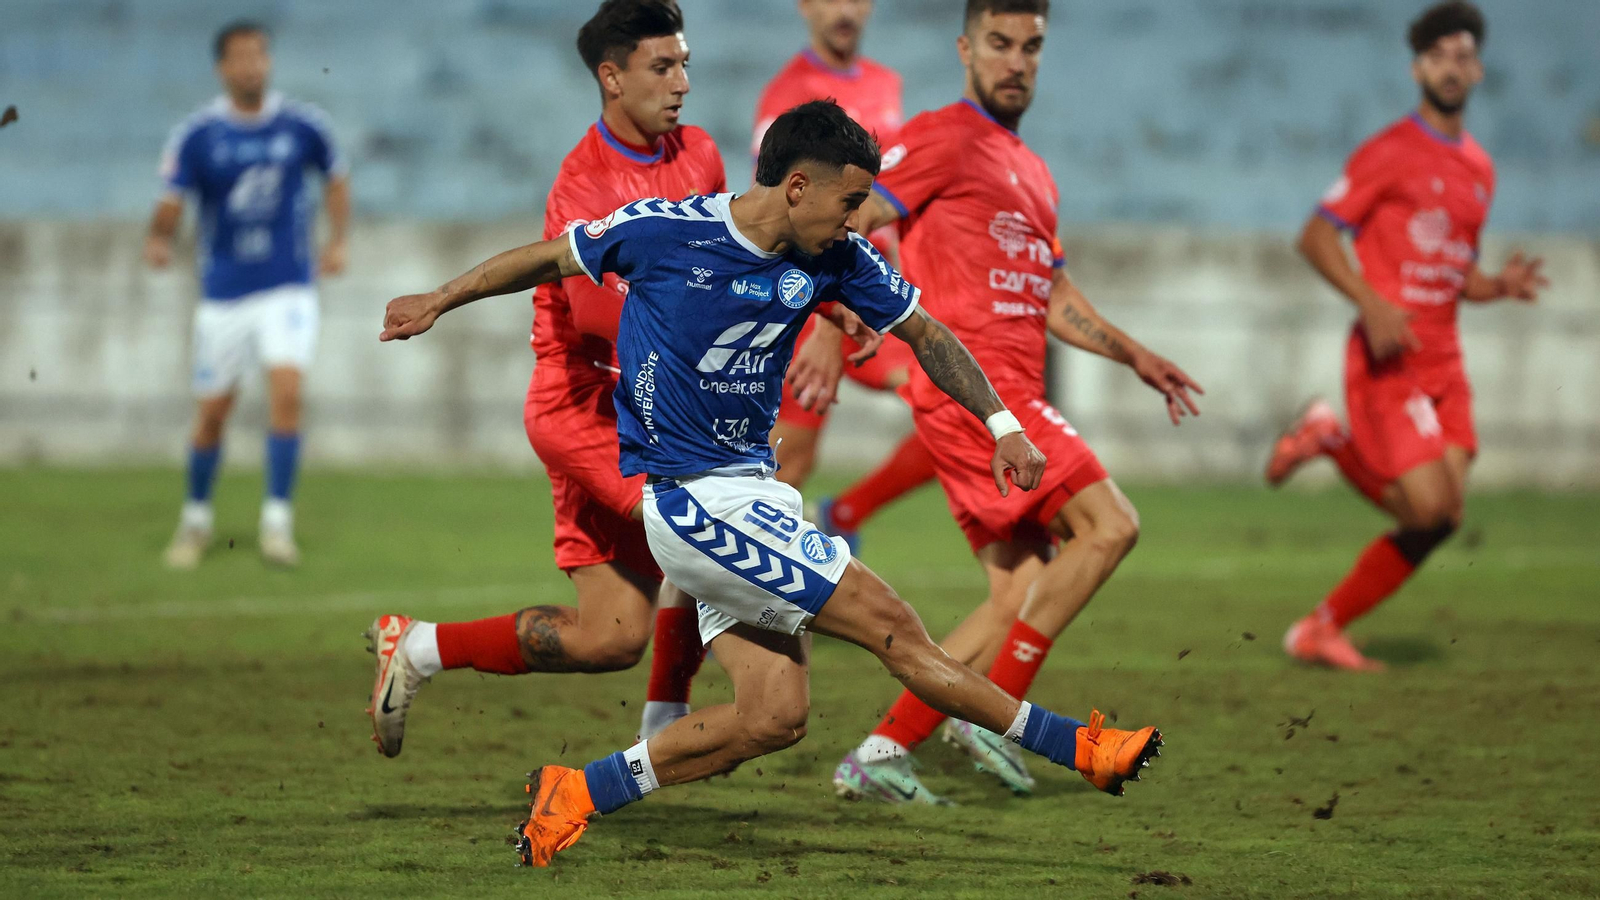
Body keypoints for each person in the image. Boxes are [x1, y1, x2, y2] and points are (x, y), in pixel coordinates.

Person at [379, 99, 1165, 868]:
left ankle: (577, 792)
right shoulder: (666, 232)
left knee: (774, 717)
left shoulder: (835, 258)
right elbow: (549, 258)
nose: (857, 221)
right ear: (796, 186)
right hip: (693, 503)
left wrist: (1003, 425)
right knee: (893, 625)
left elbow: (925, 332)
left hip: (754, 495)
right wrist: (439, 300)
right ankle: (1081, 747)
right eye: (849, 202)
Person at [826, 0, 1203, 804]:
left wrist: (1133, 353)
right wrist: (836, 310)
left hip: (1008, 397)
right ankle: (998, 720)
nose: (1017, 61)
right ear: (966, 49)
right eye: (1000, 43)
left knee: (1016, 595)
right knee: (1111, 524)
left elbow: (1053, 292)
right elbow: (851, 215)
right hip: (978, 395)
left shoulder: (1031, 169)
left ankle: (880, 752)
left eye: (1031, 46)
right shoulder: (942, 136)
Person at [364, 0, 734, 757]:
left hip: (647, 410)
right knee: (708, 525)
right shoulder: (583, 183)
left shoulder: (699, 153)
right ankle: (668, 719)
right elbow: (601, 316)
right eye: (663, 67)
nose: (682, 83)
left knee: (611, 636)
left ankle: (419, 647)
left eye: (685, 64)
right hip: (585, 409)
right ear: (612, 77)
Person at [1266, 1, 1546, 670]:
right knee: (1427, 509)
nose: (1451, 68)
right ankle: (1331, 437)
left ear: (1478, 70)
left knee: (1442, 520)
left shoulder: (1480, 169)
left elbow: (1454, 270)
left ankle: (1319, 629)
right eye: (1438, 56)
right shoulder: (1389, 152)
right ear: (1418, 68)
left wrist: (1496, 286)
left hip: (1446, 363)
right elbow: (1315, 235)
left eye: (1463, 56)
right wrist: (1369, 301)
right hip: (1390, 359)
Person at [148, 20, 349, 569]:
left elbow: (336, 177)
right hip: (224, 293)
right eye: (239, 57)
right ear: (222, 68)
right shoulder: (198, 134)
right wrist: (159, 238)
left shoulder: (303, 125)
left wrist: (337, 242)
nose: (250, 66)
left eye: (258, 55)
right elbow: (172, 198)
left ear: (268, 61)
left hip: (287, 286)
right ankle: (195, 519)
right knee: (214, 413)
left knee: (287, 393)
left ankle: (276, 524)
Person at [755, 0, 938, 552]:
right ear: (804, 6)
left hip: (872, 293)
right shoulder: (788, 95)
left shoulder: (886, 84)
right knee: (788, 466)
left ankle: (845, 513)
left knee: (950, 407)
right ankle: (721, 584)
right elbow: (781, 214)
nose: (845, 11)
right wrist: (823, 323)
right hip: (812, 301)